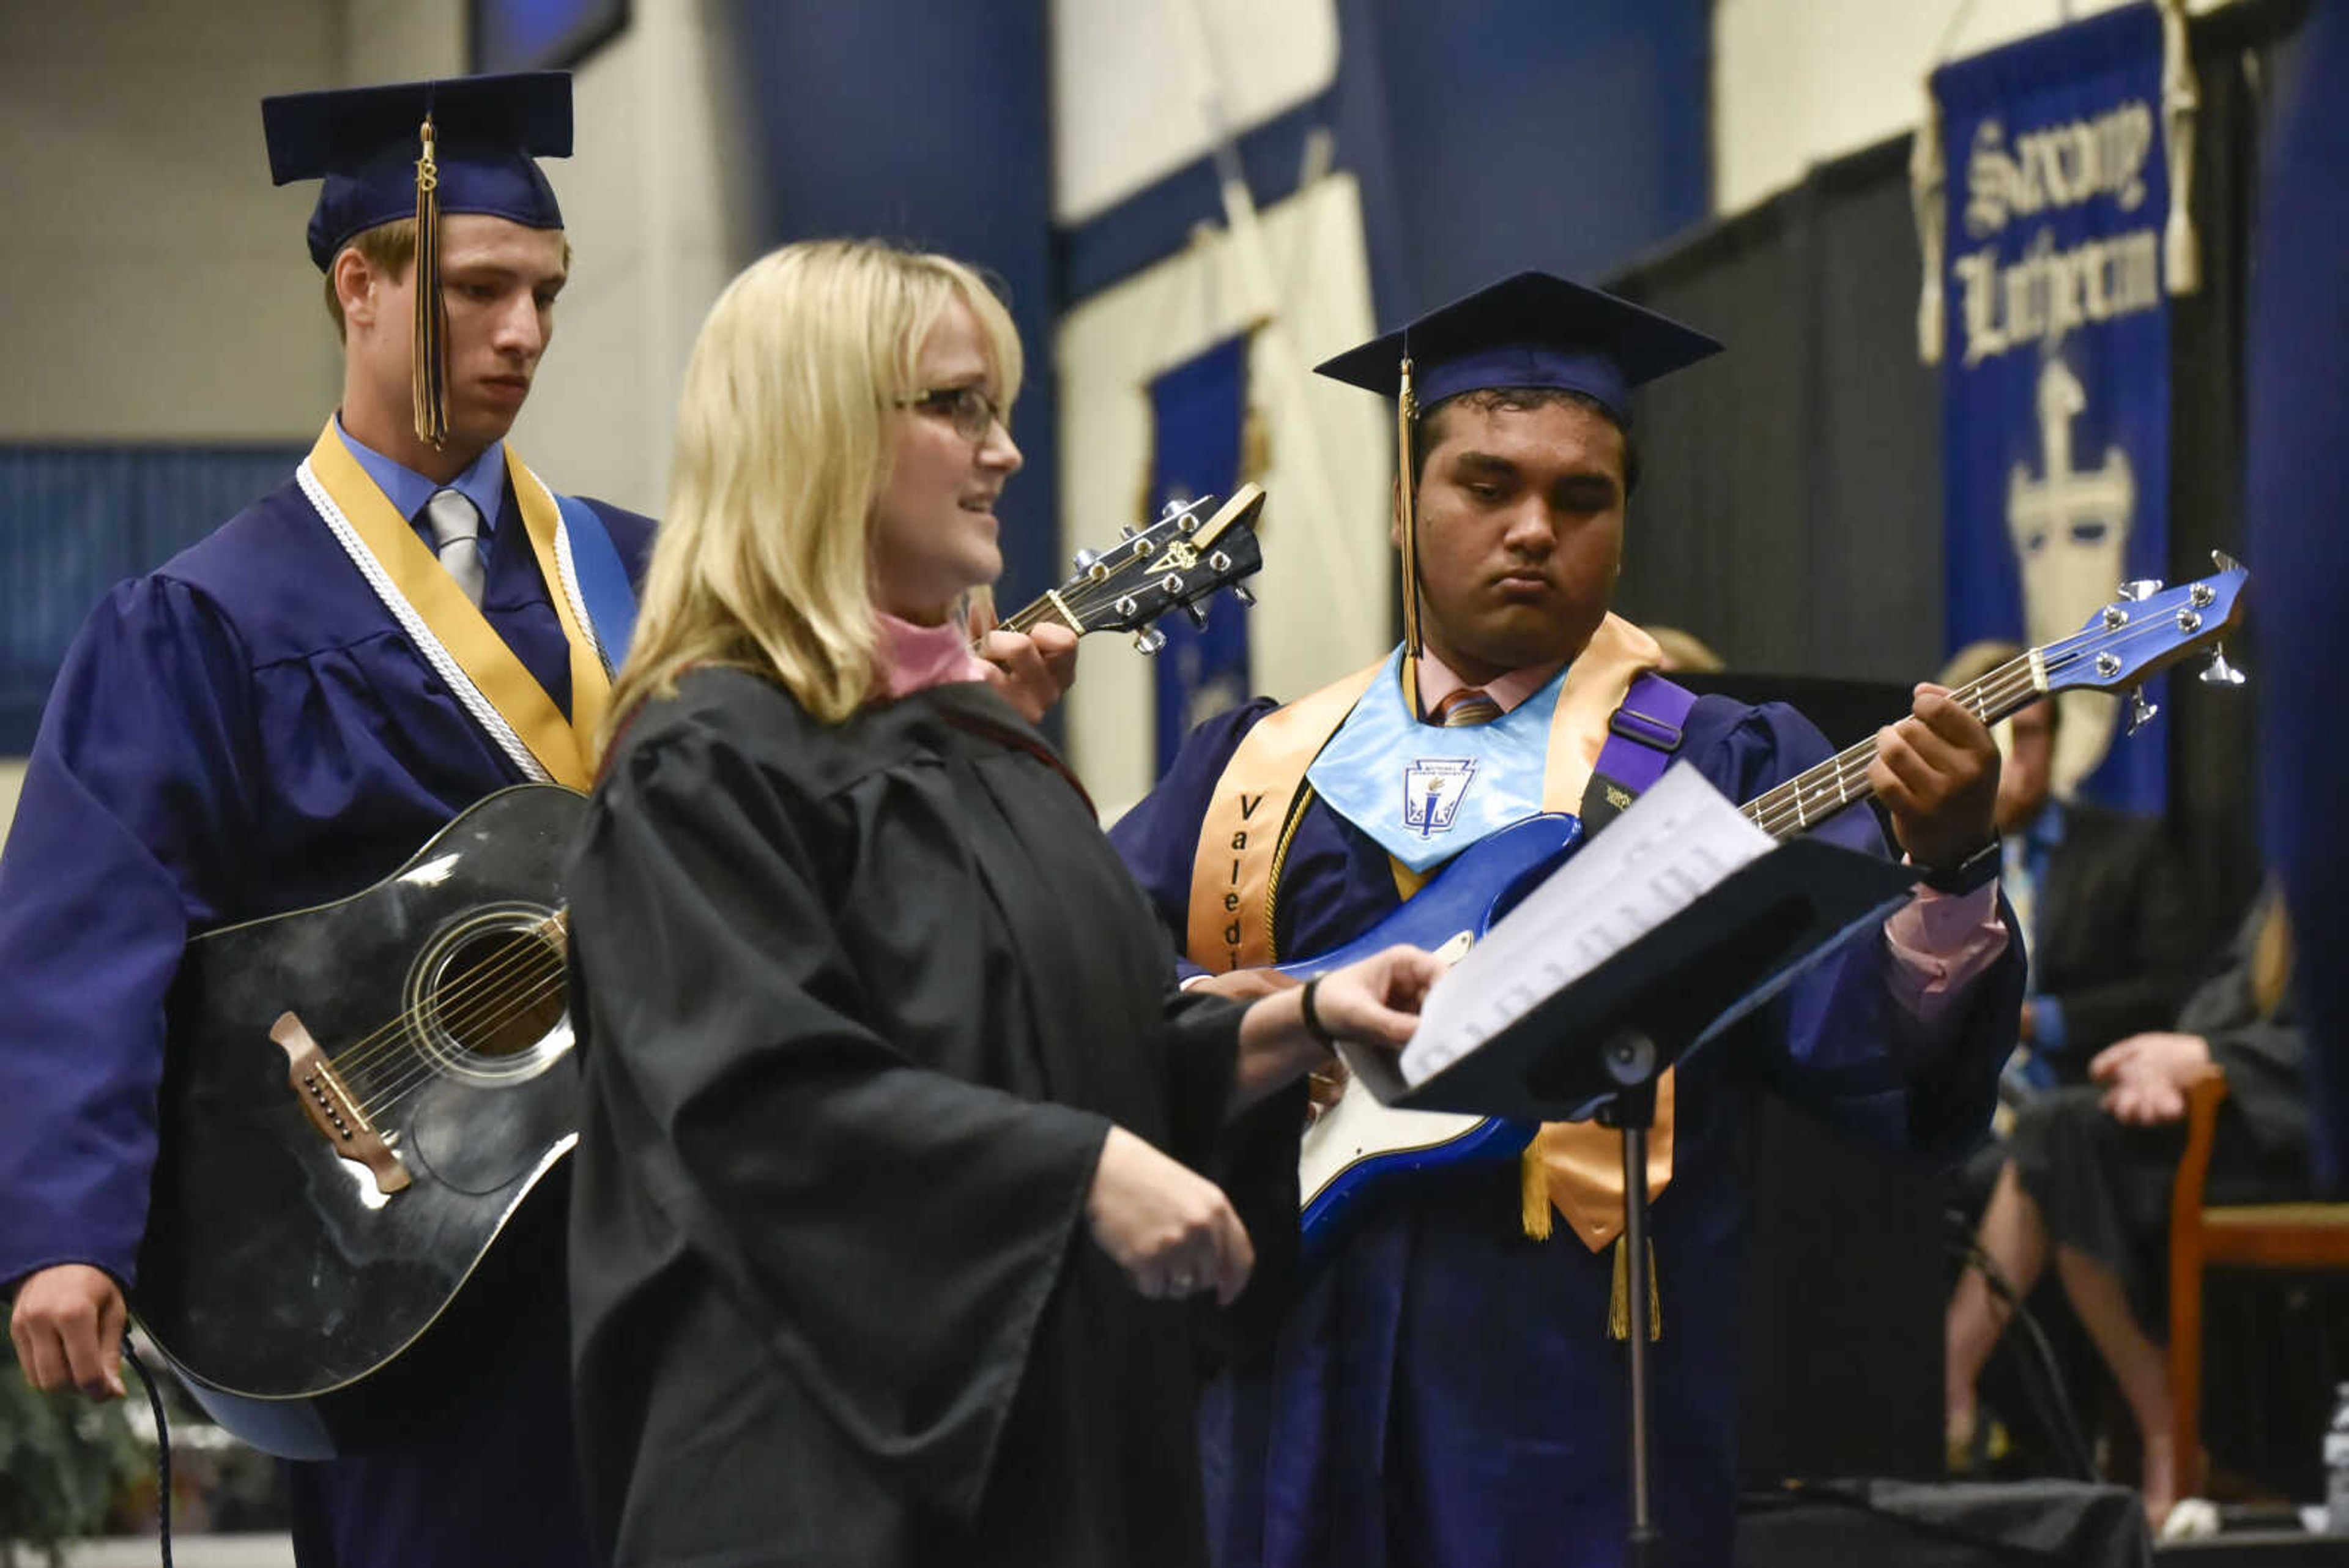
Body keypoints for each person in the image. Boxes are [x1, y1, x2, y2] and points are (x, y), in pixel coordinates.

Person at [0, 75, 1057, 1567]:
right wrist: (65, 1227)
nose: (525, 336)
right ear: (357, 287)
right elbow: (83, 937)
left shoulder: (664, 578)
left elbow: (818, 850)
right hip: (394, 1254)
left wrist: (965, 734)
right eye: (480, 290)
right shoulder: (208, 625)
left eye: (547, 296)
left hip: (691, 1235)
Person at [1109, 271, 2027, 1567]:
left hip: (1565, 1425)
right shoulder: (1257, 771)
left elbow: (1878, 1062)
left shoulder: (1725, 764)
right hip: (1277, 1395)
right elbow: (1087, 1002)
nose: (1533, 528)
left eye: (1580, 497)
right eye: (1487, 485)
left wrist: (1948, 872)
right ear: (1402, 505)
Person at [560, 238, 1445, 1567]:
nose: (1007, 452)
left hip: (1058, 1455)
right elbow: (762, 1107)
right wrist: (1077, 1172)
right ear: (821, 434)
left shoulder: (986, 748)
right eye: (958, 406)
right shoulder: (710, 762)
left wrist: (1297, 1023)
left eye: (1004, 410)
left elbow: (1086, 1045)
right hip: (822, 1481)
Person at [1944, 887, 2304, 1531]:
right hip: (2241, 1116)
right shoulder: (2294, 877)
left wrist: (2208, 1059)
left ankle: (1951, 1388)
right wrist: (2166, 1062)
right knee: (2053, 1147)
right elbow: (2224, 1001)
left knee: (2059, 1140)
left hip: (2305, 1135)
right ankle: (2160, 1436)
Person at [1939, 640, 2200, 1096]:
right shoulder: (1921, 857)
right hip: (1950, 1098)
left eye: (2027, 733)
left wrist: (2037, 1022)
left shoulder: (2129, 851)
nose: (2008, 754)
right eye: (1992, 734)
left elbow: (2175, 988)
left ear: (2055, 740)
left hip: (2073, 1098)